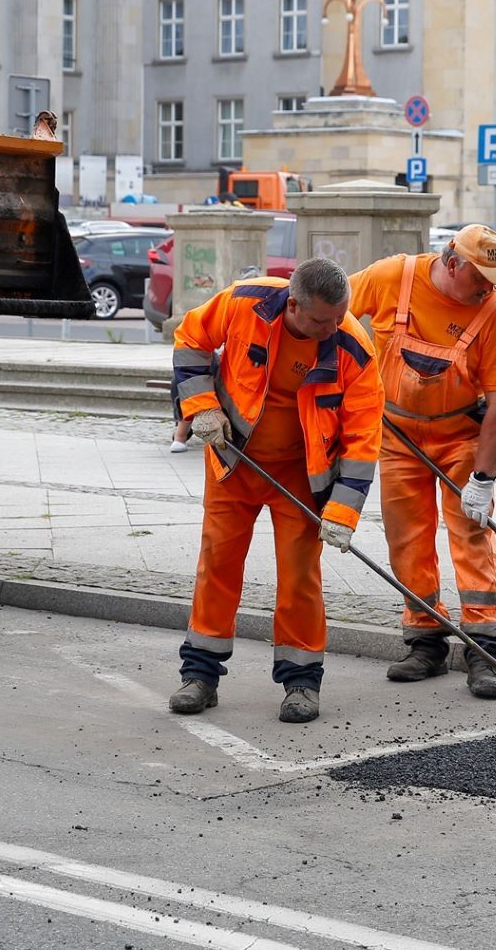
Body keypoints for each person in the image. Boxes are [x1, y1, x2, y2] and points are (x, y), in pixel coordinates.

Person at [168, 258, 384, 724]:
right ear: (293, 305)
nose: (333, 328)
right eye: (323, 320)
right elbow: (190, 338)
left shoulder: (353, 347)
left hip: (301, 477)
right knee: (218, 563)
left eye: (340, 317)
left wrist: (343, 513)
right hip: (235, 460)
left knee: (300, 575)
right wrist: (202, 406)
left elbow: (364, 438)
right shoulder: (244, 303)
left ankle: (302, 681)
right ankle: (199, 674)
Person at [346, 226, 496, 700]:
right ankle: (426, 641)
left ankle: (485, 647)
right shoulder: (393, 277)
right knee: (407, 539)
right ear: (452, 263)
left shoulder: (494, 311)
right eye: (481, 278)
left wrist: (484, 478)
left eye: (495, 279)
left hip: (460, 438)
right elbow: (331, 314)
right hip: (396, 438)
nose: (489, 288)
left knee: (471, 533)